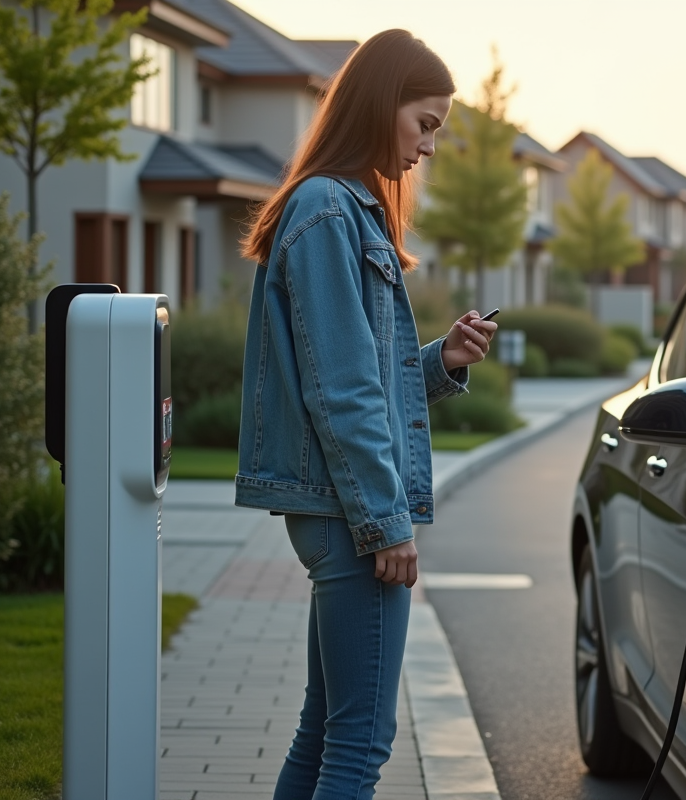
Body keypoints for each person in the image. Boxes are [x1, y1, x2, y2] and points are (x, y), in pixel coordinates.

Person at [234, 30, 494, 799]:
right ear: (383, 106)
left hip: (336, 506)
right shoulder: (329, 212)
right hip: (350, 515)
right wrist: (386, 523)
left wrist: (441, 361)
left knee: (325, 731)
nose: (429, 147)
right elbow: (341, 394)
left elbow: (356, 375)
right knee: (360, 744)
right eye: (426, 124)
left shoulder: (340, 209)